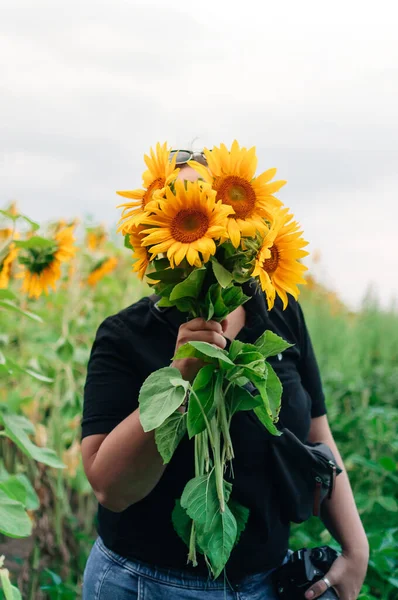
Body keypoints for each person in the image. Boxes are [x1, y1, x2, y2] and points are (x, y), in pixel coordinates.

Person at [81, 160, 369, 600]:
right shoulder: (127, 335)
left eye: (211, 203)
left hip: (265, 583)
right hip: (145, 585)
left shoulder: (278, 311)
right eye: (171, 208)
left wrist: (356, 549)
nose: (207, 220)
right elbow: (109, 488)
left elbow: (316, 431)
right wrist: (180, 377)